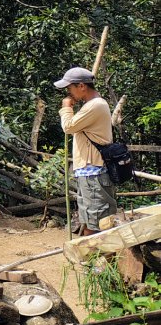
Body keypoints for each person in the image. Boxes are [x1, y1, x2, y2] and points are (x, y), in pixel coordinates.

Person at [56, 66, 116, 235]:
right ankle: (92, 258)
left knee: (97, 220)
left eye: (70, 88)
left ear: (81, 86)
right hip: (88, 171)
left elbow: (68, 126)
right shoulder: (91, 105)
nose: (68, 93)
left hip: (94, 171)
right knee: (89, 217)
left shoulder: (95, 106)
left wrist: (66, 107)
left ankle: (100, 259)